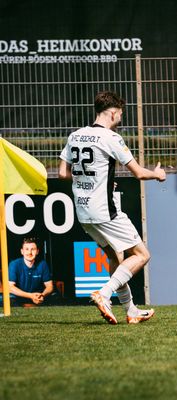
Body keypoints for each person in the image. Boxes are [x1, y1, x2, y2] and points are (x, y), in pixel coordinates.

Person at [59, 91, 166, 325]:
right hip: (104, 210)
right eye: (120, 114)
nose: (121, 118)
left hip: (83, 211)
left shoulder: (75, 135)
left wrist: (97, 180)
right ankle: (104, 294)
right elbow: (138, 173)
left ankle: (131, 310)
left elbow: (62, 173)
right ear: (113, 113)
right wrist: (157, 174)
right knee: (142, 255)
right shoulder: (111, 138)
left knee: (115, 258)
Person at [8, 237, 54, 306]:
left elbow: (49, 286)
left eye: (33, 249)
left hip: (37, 296)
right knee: (8, 300)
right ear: (22, 251)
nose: (29, 252)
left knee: (56, 297)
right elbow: (10, 287)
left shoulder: (42, 264)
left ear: (37, 251)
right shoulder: (14, 264)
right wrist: (30, 296)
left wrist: (42, 295)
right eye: (26, 249)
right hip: (19, 297)